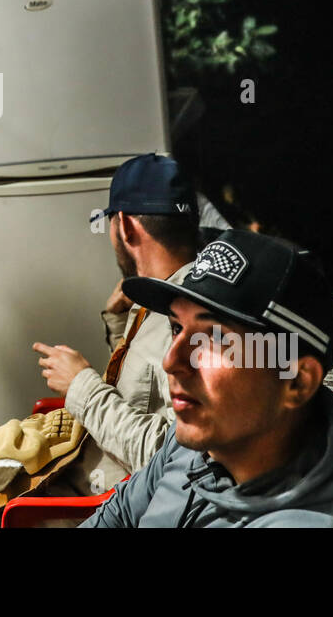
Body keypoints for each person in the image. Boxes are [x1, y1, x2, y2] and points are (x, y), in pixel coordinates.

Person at [82, 229, 333, 527]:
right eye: (176, 328)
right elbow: (119, 513)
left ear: (297, 381)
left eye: (214, 339)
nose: (171, 361)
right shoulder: (201, 439)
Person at [33, 153, 228, 495]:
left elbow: (175, 460)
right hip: (75, 474)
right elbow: (145, 395)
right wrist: (119, 323)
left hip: (89, 504)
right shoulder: (160, 293)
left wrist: (82, 387)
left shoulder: (188, 320)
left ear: (124, 225)